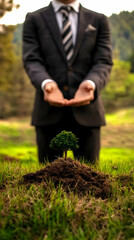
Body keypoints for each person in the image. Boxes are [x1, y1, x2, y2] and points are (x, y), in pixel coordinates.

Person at [23, 0, 113, 164]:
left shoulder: (98, 20)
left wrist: (91, 83)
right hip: (47, 113)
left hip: (88, 113)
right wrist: (46, 84)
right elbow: (32, 60)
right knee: (47, 182)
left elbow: (103, 61)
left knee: (91, 181)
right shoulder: (34, 19)